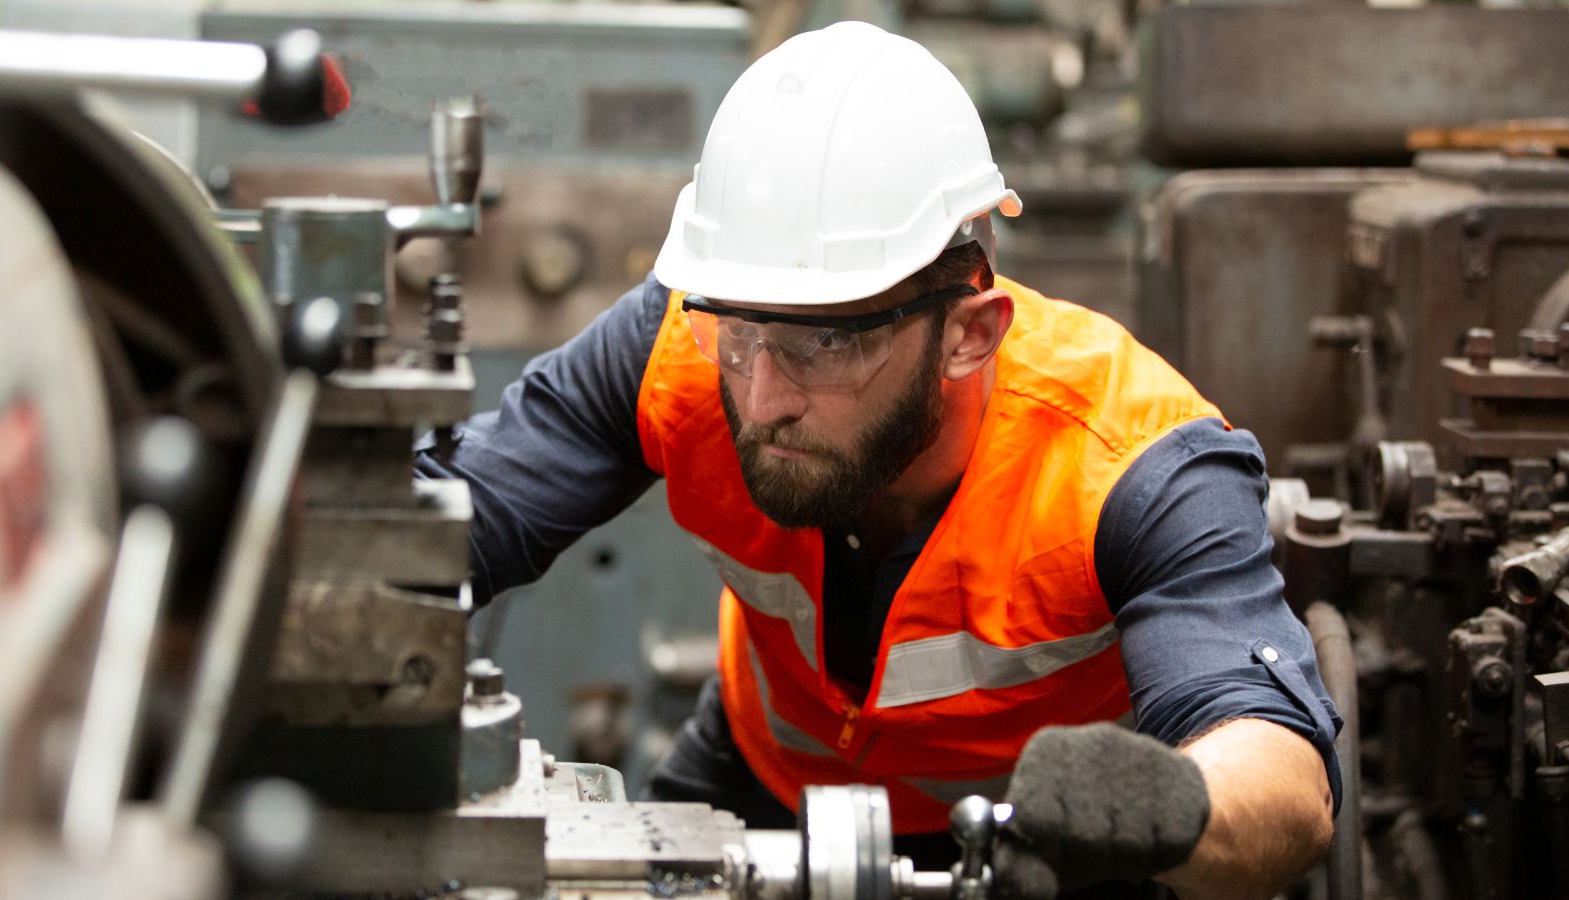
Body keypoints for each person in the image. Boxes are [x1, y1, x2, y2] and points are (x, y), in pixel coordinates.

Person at [418, 21, 1339, 900]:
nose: (765, 396)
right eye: (740, 332)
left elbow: (1281, 782)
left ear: (970, 334)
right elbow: (446, 518)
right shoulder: (681, 347)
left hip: (1046, 841)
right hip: (765, 774)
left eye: (826, 346)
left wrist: (1161, 811)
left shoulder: (1130, 464)